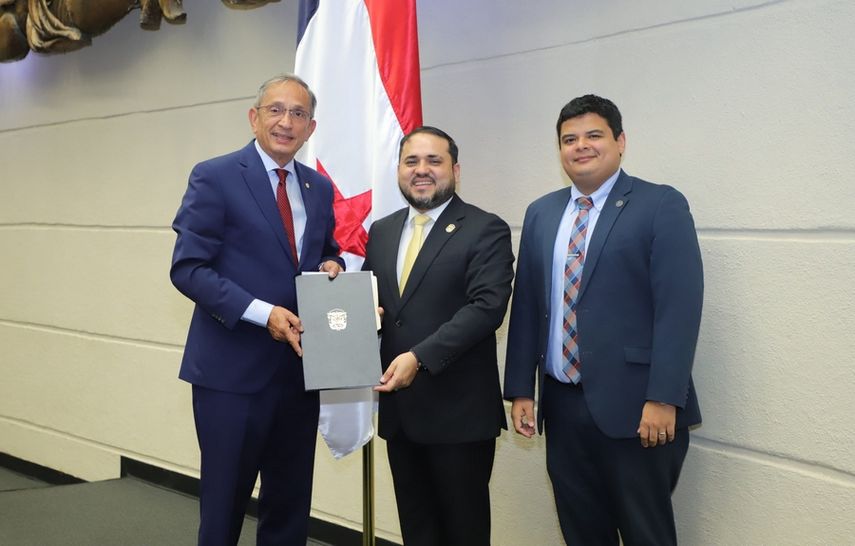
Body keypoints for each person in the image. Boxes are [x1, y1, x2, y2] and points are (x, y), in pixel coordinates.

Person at [504, 95, 704, 546]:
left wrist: (663, 397)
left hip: (638, 408)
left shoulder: (660, 205)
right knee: (581, 531)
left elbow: (679, 308)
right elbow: (529, 305)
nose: (581, 146)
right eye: (569, 139)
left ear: (620, 142)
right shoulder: (542, 213)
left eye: (594, 135)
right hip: (561, 405)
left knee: (644, 533)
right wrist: (520, 388)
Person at [170, 73, 343, 546]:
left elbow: (325, 252)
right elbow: (188, 269)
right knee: (224, 510)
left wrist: (332, 263)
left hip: (298, 375)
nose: (286, 122)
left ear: (310, 128)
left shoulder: (319, 188)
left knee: (289, 509)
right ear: (254, 117)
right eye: (276, 110)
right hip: (232, 376)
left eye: (299, 114)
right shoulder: (215, 175)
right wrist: (261, 312)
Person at [362, 126, 514, 546]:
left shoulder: (485, 229)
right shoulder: (382, 231)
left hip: (458, 416)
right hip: (401, 416)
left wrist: (419, 357)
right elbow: (371, 301)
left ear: (456, 169)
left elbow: (486, 309)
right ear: (398, 170)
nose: (422, 170)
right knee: (418, 531)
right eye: (412, 161)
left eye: (434, 161)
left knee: (462, 533)